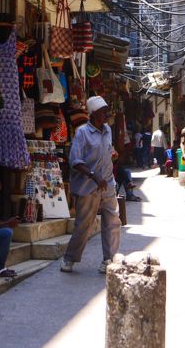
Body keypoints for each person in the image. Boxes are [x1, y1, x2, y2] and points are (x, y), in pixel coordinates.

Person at [61, 96, 122, 274]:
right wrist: (94, 176)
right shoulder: (82, 133)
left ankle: (109, 259)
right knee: (83, 225)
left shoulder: (107, 130)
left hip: (108, 182)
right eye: (103, 113)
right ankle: (69, 258)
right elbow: (75, 160)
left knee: (112, 221)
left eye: (106, 112)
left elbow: (107, 150)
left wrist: (112, 153)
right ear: (93, 114)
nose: (106, 115)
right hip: (88, 185)